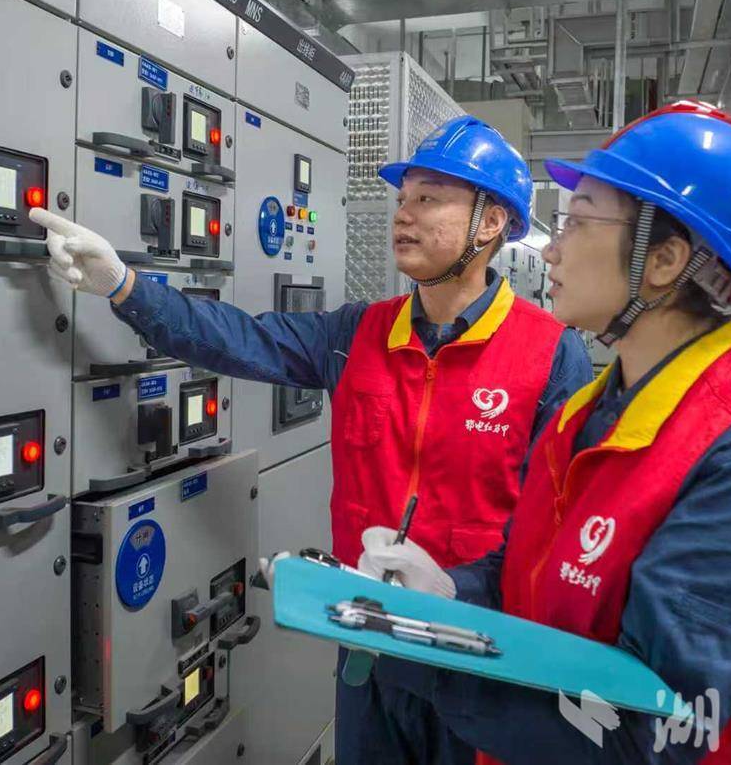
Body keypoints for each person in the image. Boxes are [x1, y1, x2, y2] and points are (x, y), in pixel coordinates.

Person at [29, 115, 591, 765]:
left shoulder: (550, 355)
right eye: (403, 197)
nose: (403, 214)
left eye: (429, 198)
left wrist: (454, 589)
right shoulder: (358, 333)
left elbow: (557, 531)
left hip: (477, 655)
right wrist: (123, 286)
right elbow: (236, 338)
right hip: (369, 647)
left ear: (489, 223)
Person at [359, 100, 731, 764]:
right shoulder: (590, 417)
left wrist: (423, 653)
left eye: (578, 222)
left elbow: (646, 729)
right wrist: (445, 594)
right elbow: (529, 573)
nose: (552, 248)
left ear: (661, 260)